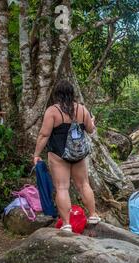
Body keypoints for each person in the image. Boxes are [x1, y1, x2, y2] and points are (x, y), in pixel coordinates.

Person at [33, 80, 99, 233]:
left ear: (57, 95)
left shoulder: (53, 111)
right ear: (72, 93)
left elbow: (44, 135)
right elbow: (90, 130)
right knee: (84, 185)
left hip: (58, 155)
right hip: (79, 155)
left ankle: (67, 224)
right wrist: (92, 122)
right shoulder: (82, 109)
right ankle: (93, 215)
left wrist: (36, 154)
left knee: (62, 188)